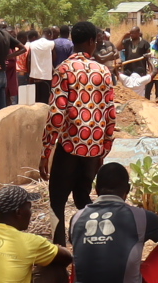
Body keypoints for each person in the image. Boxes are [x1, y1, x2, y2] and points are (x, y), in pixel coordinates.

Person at [42, 21, 120, 233]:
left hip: (69, 147)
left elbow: (56, 115)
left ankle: (59, 248)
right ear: (91, 41)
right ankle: (90, 243)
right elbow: (110, 114)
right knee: (83, 199)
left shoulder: (63, 69)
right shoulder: (103, 71)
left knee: (57, 202)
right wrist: (103, 150)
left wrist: (46, 152)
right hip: (93, 148)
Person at [26, 26, 57, 104]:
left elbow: (28, 59)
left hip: (34, 76)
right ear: (49, 34)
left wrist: (29, 73)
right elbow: (54, 57)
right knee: (45, 101)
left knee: (35, 101)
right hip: (46, 77)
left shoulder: (32, 44)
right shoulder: (51, 43)